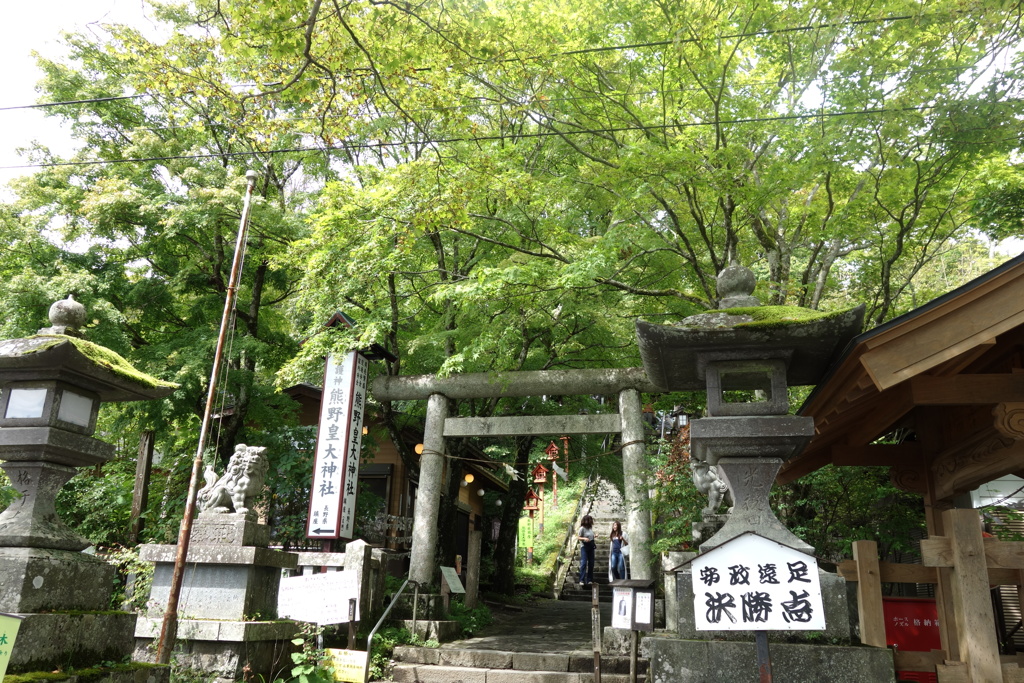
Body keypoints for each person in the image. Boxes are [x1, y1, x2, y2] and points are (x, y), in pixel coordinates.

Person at [577, 514, 596, 588]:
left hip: (591, 547)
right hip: (584, 547)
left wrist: (594, 536)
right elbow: (578, 537)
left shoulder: (590, 529)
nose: (588, 522)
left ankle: (589, 579)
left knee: (591, 563)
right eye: (587, 520)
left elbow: (591, 536)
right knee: (584, 563)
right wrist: (584, 539)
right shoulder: (582, 528)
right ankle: (582, 580)